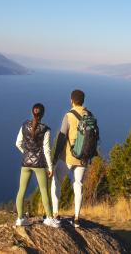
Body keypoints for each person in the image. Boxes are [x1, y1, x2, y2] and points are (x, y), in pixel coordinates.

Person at [14, 103, 60, 227]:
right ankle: (49, 218)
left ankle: (20, 219)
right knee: (44, 190)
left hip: (25, 163)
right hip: (39, 164)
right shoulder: (46, 129)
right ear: (43, 114)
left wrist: (27, 153)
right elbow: (47, 150)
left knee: (21, 191)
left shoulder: (24, 125)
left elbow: (18, 143)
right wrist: (50, 167)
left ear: (32, 112)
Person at [51, 89, 89, 228]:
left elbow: (61, 138)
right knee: (78, 184)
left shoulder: (69, 115)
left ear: (71, 100)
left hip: (67, 156)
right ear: (83, 101)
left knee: (56, 182)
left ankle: (55, 214)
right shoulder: (89, 115)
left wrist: (54, 158)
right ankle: (77, 218)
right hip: (83, 158)